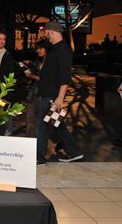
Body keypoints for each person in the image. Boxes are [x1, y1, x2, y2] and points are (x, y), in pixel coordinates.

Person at [36, 21, 83, 166]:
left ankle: (39, 157)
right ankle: (74, 152)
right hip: (48, 94)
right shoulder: (54, 49)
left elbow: (65, 77)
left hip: (52, 96)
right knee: (56, 124)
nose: (44, 35)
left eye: (45, 32)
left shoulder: (63, 50)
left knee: (43, 125)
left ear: (51, 32)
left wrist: (60, 98)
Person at [23, 39, 50, 137]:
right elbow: (33, 68)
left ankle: (60, 139)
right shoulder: (38, 61)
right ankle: (30, 143)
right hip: (34, 93)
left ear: (47, 49)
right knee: (29, 118)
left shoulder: (51, 63)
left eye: (40, 48)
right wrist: (27, 64)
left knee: (48, 121)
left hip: (46, 95)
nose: (37, 51)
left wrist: (32, 76)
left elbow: (47, 80)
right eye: (37, 49)